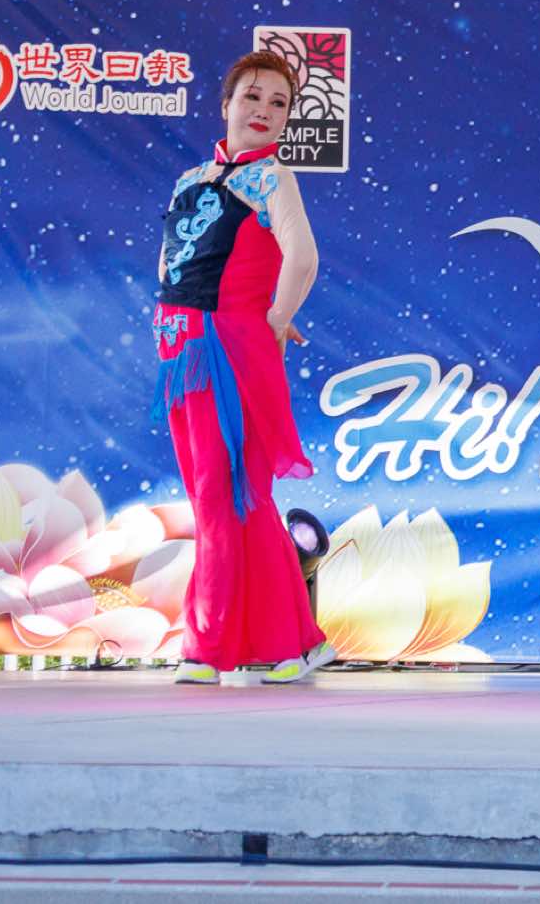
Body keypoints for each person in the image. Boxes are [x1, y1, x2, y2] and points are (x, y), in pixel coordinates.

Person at [153, 50, 334, 685]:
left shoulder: (272, 177)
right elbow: (170, 263)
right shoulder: (190, 178)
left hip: (227, 351)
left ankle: (208, 645)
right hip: (182, 350)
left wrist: (277, 316)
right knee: (237, 498)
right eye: (252, 97)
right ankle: (294, 642)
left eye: (278, 104)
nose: (263, 111)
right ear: (226, 104)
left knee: (219, 494)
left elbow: (303, 257)